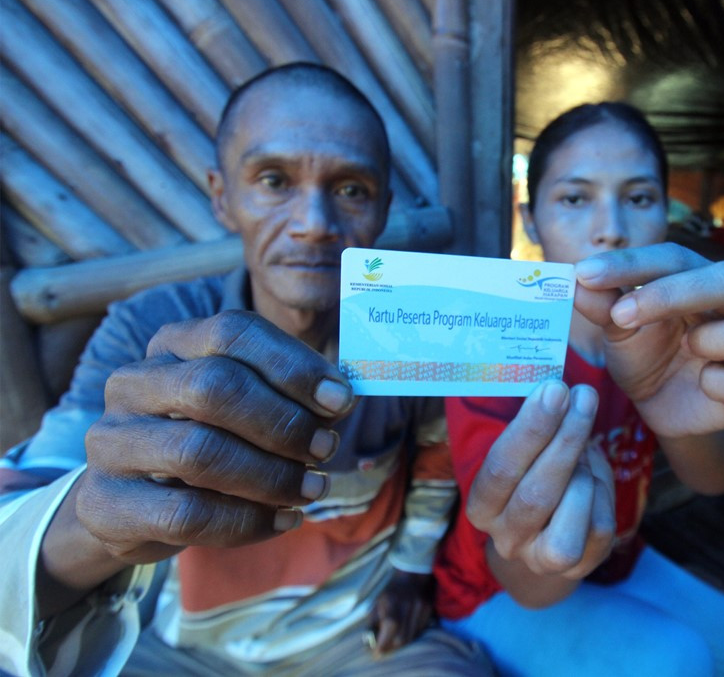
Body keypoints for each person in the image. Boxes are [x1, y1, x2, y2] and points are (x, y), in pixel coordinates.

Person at [0, 63, 493, 676]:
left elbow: (435, 460)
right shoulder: (146, 330)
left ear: (383, 211)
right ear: (222, 196)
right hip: (176, 647)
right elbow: (20, 513)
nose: (314, 221)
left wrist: (413, 574)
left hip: (356, 639)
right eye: (273, 179)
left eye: (351, 189)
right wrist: (91, 517)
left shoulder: (415, 336)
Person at [433, 102, 724, 676]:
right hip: (496, 588)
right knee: (677, 662)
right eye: (575, 198)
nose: (610, 226)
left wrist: (689, 416)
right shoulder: (494, 343)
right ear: (531, 221)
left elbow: (719, 478)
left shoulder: (679, 336)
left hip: (618, 559)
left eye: (637, 198)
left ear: (665, 215)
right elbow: (522, 577)